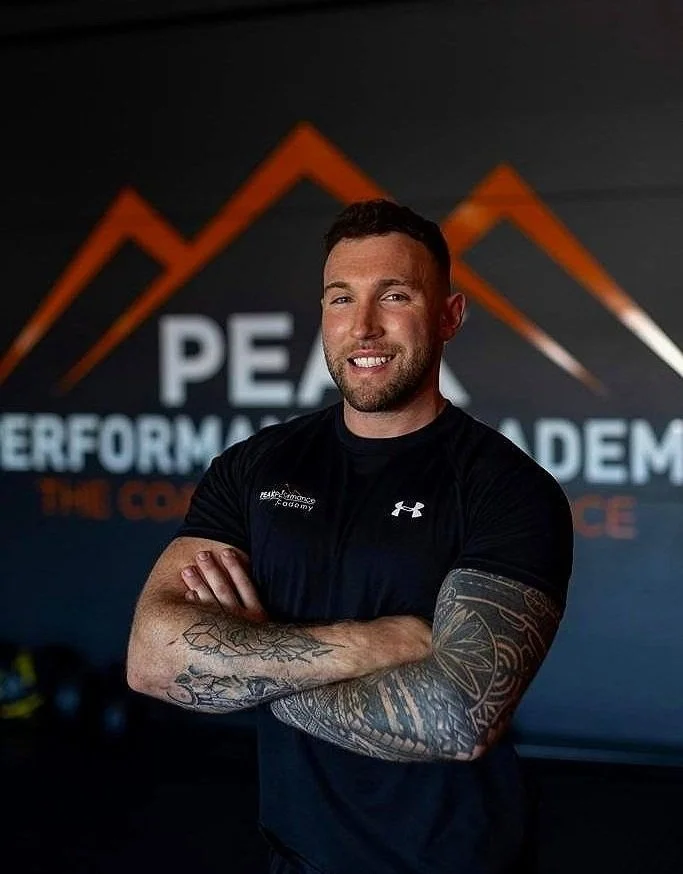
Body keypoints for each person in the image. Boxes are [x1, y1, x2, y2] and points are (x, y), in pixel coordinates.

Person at [126, 199, 574, 874]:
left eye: (393, 295)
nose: (362, 327)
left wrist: (246, 663)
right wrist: (377, 643)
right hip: (294, 854)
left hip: (451, 860)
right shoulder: (255, 467)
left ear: (449, 316)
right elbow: (151, 662)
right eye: (340, 299)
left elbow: (457, 719)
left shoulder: (506, 489)